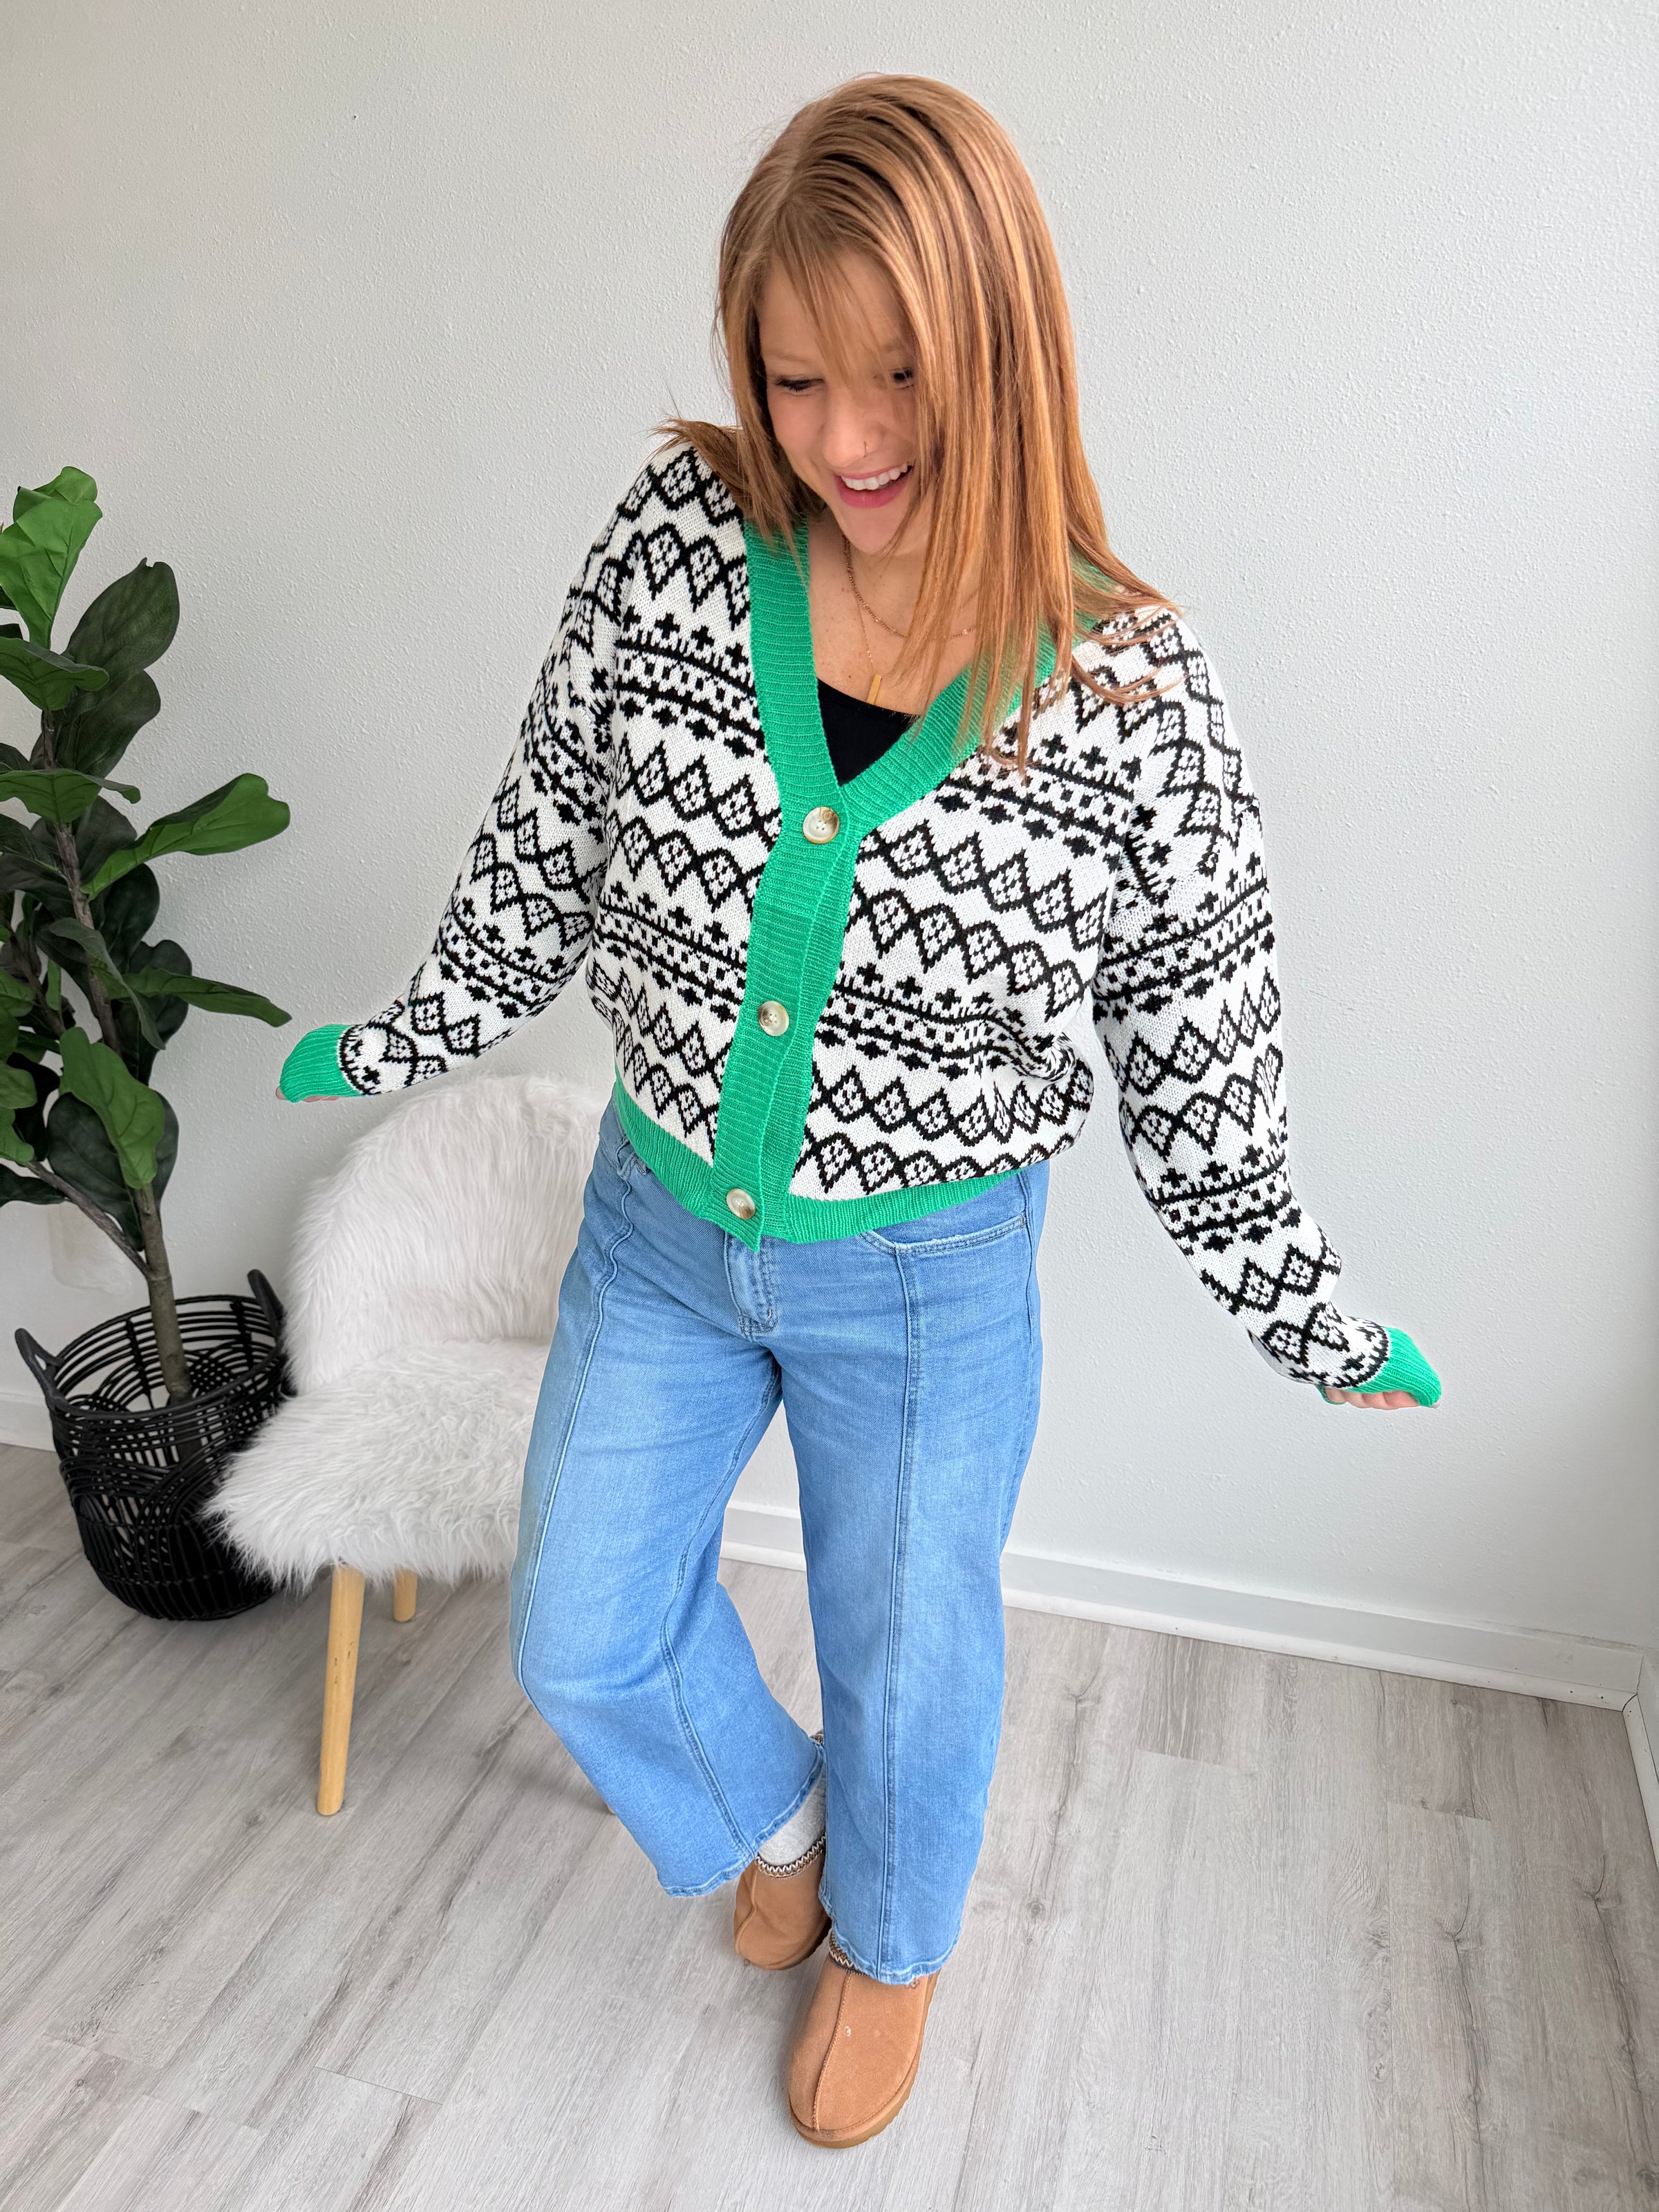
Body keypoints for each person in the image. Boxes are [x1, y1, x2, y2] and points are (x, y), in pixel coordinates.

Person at [277, 73, 1440, 2150]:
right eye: (793, 376)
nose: (843, 437)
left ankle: (893, 1949)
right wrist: (415, 1026)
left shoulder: (1130, 697)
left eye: (896, 372)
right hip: (656, 1223)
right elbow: (550, 822)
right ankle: (777, 1823)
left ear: (1003, 342)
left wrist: (1303, 1305)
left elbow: (1203, 1053)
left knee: (911, 1659)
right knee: (580, 1627)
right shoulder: (678, 546)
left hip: (924, 1275)